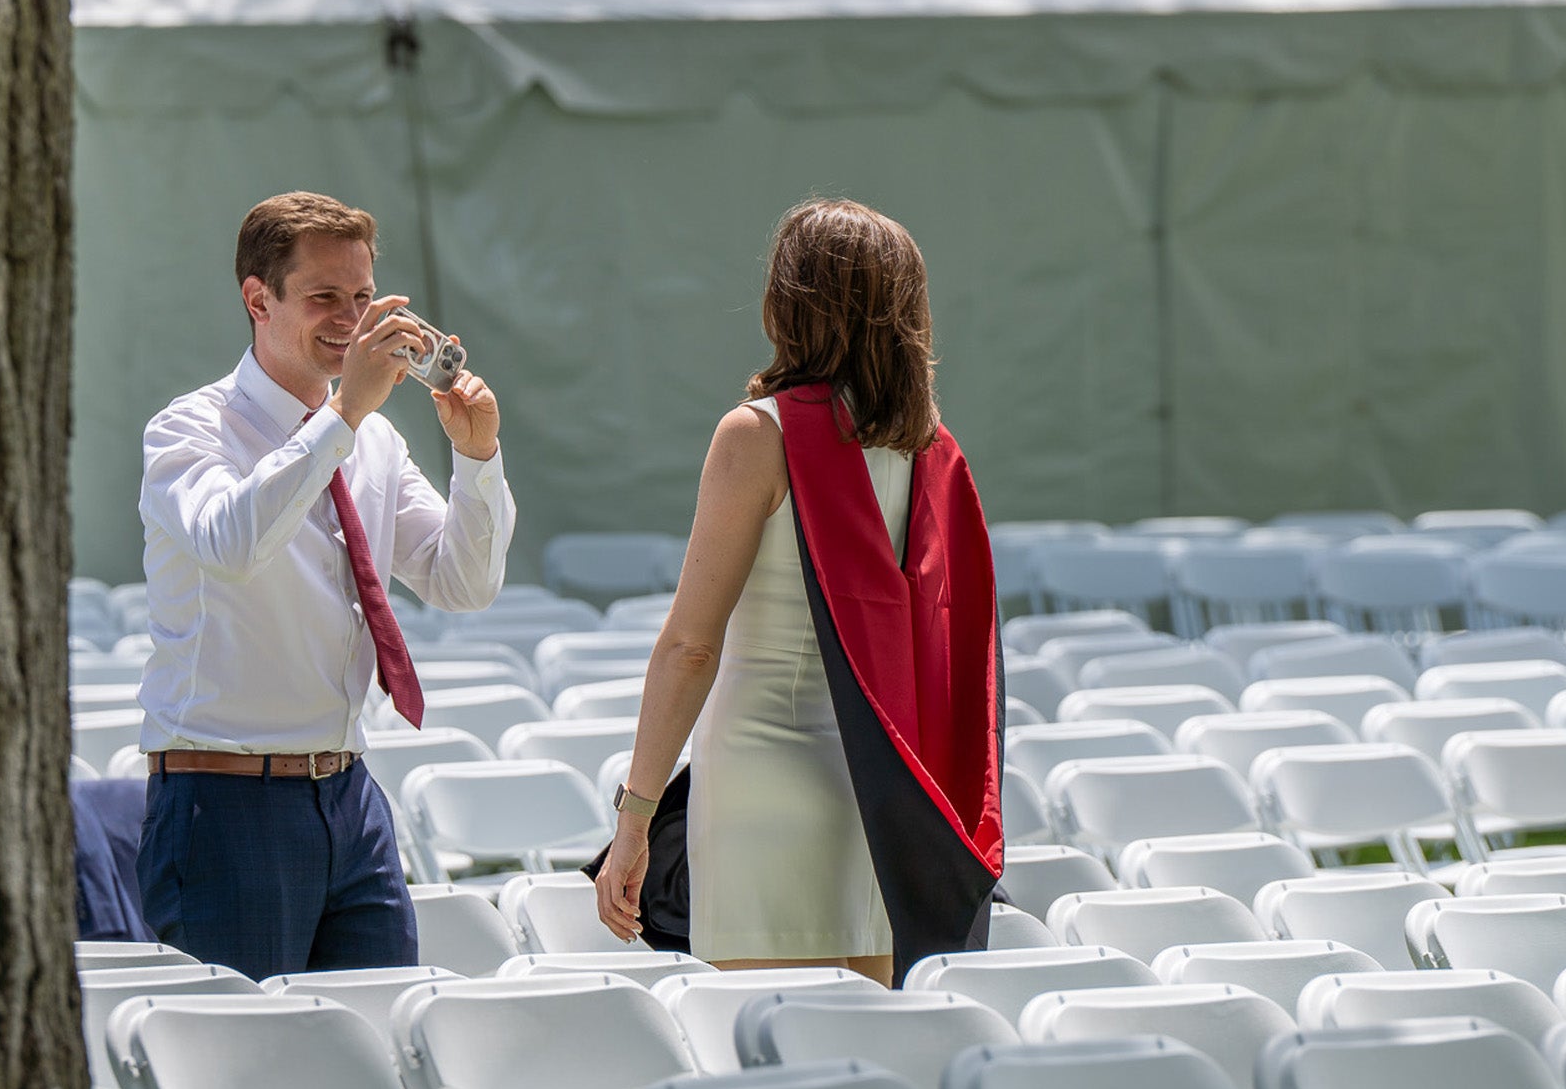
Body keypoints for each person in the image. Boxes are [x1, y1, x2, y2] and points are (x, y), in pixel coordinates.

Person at [594, 198, 1001, 985]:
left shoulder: (758, 435)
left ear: (789, 305)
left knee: (780, 1065)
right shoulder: (934, 453)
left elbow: (691, 645)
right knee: (870, 1068)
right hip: (887, 798)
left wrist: (635, 816)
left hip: (764, 786)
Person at [136, 191, 512, 978]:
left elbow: (461, 583)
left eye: (364, 296)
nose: (351, 317)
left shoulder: (371, 435)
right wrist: (342, 416)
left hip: (349, 793)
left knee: (376, 1064)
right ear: (256, 298)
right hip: (225, 802)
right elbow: (230, 543)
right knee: (234, 1086)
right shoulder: (189, 427)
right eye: (324, 298)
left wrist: (478, 462)